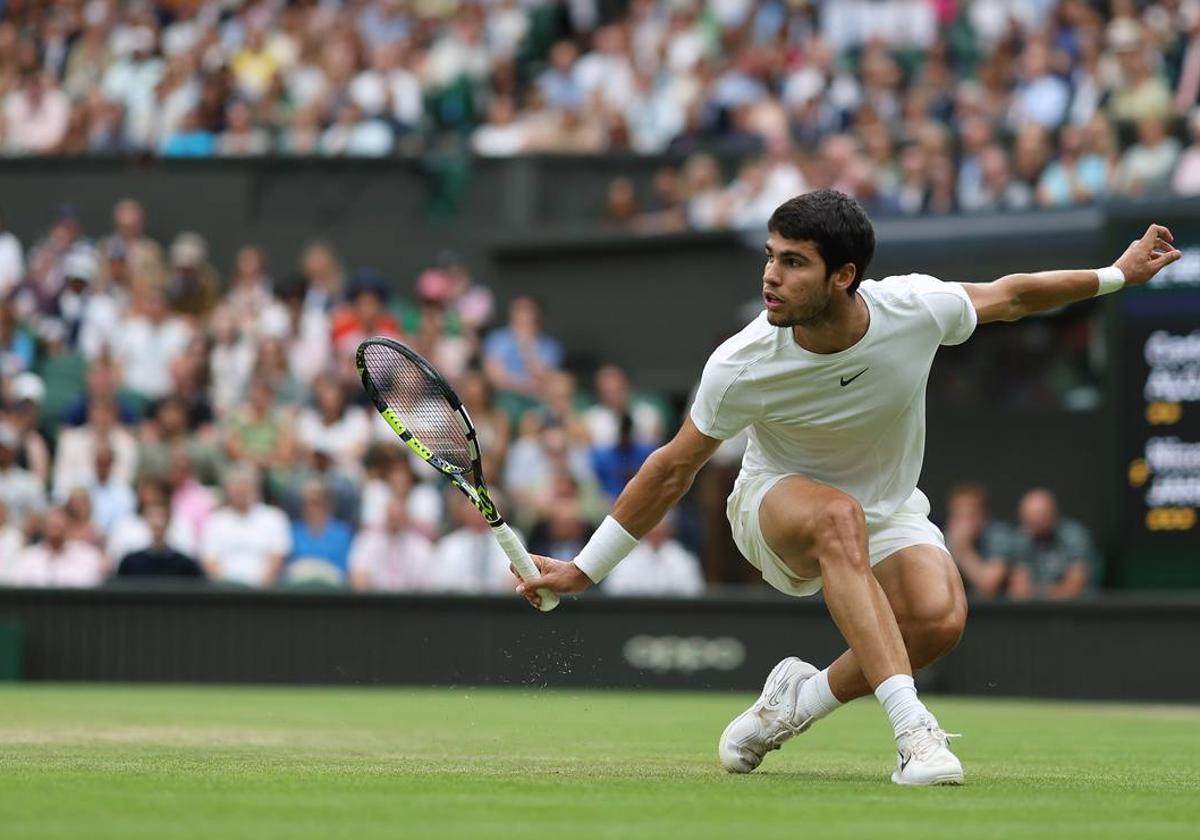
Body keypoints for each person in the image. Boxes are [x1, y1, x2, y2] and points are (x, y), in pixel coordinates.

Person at [515, 189, 1181, 786]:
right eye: (771, 257)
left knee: (938, 618)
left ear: (844, 276)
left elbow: (1012, 295)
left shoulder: (915, 310)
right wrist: (584, 569)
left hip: (886, 509)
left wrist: (1117, 274)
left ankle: (794, 705)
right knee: (836, 518)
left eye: (794, 262)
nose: (772, 276)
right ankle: (914, 735)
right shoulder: (740, 363)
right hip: (772, 507)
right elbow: (671, 469)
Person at [199, 464, 291, 587]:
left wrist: (258, 590)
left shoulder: (274, 517)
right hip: (224, 593)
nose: (241, 490)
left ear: (256, 488)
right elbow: (209, 561)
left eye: (246, 485)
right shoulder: (215, 521)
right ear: (228, 489)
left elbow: (277, 557)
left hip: (264, 592)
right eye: (236, 486)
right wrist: (226, 589)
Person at [1006, 488, 1099, 600]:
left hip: (1077, 610)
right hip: (1034, 611)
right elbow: (1019, 590)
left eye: (1038, 516)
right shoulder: (1021, 538)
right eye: (1028, 518)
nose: (1033, 523)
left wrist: (1039, 593)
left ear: (1052, 514)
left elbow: (1075, 586)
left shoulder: (1074, 536)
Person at [603, 516, 704, 597]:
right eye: (653, 527)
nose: (656, 532)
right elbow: (613, 590)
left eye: (661, 528)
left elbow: (694, 592)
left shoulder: (684, 559)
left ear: (669, 530)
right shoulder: (627, 558)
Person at [943, 484, 1014, 599]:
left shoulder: (998, 534)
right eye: (957, 515)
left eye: (968, 515)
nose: (962, 523)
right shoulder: (941, 537)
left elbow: (989, 584)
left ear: (982, 515)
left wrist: (963, 551)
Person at [116, 502, 205, 580]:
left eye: (162, 516)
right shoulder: (130, 562)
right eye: (152, 516)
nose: (157, 522)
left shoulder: (185, 564)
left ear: (169, 521)